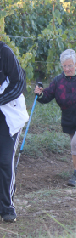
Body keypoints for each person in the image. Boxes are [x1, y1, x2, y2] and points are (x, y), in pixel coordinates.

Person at [34, 49, 76, 187]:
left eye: (70, 65)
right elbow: (47, 95)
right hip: (69, 119)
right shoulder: (58, 80)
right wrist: (40, 94)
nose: (67, 69)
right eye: (64, 66)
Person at [0, 41, 27, 223]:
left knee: (4, 160)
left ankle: (7, 205)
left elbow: (19, 83)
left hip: (9, 115)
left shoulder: (5, 53)